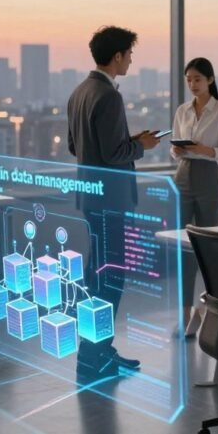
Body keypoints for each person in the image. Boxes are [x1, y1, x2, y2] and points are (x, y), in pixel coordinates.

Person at [67, 25, 159, 379]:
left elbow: (78, 147)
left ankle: (96, 352)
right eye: (130, 54)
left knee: (98, 276)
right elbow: (115, 152)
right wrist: (141, 146)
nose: (132, 59)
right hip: (111, 201)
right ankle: (95, 356)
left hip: (91, 199)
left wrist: (127, 140)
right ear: (117, 55)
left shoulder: (80, 92)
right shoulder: (108, 96)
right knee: (110, 279)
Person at [171, 57, 218, 337]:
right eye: (188, 79)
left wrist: (203, 149)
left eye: (197, 79)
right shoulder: (182, 111)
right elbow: (175, 145)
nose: (192, 84)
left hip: (209, 177)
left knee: (209, 247)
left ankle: (209, 311)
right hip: (183, 175)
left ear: (210, 80)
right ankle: (185, 313)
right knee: (181, 248)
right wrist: (178, 150)